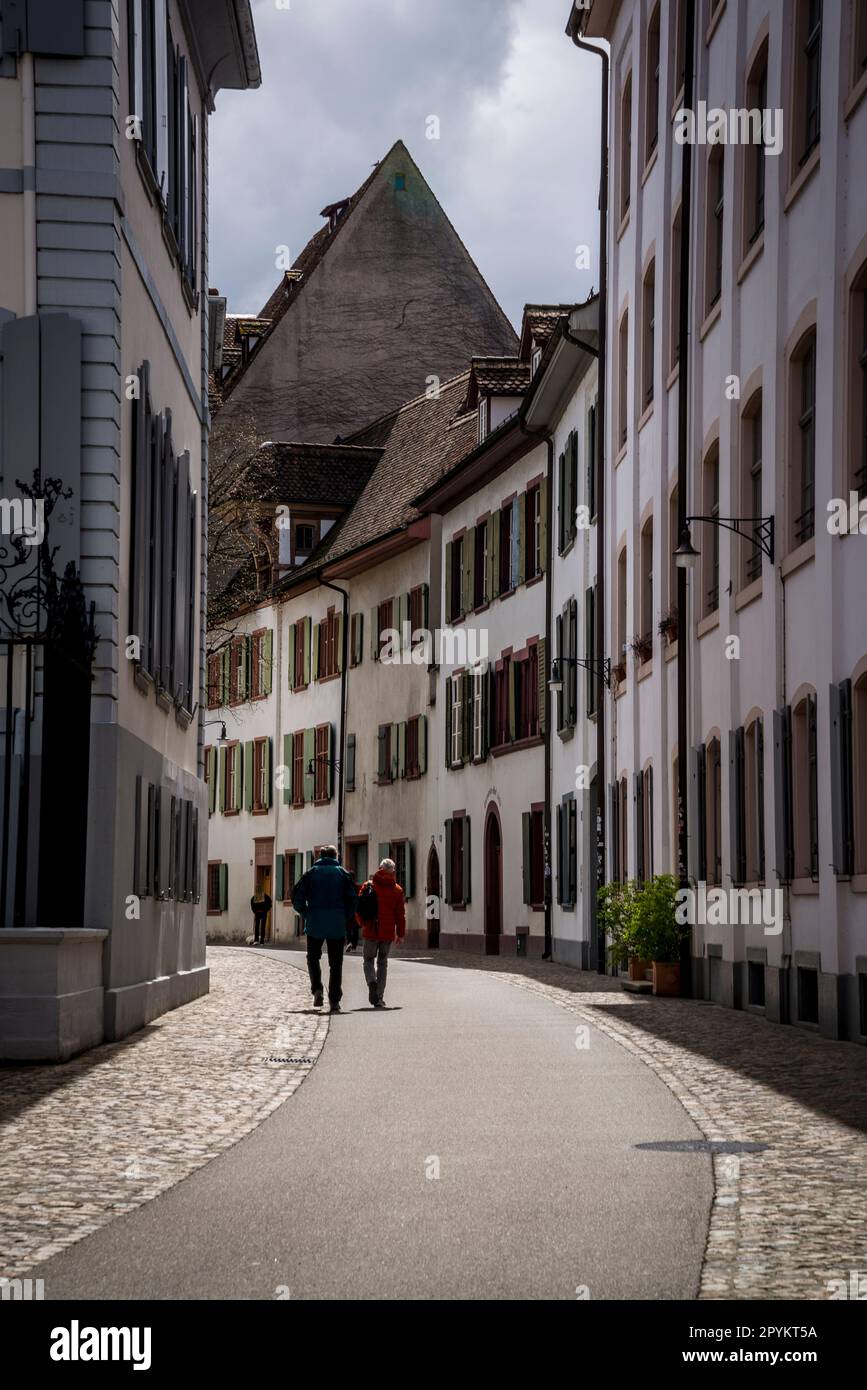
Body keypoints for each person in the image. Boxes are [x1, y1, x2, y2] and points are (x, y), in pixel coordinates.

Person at [292, 846, 357, 1012]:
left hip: (315, 923)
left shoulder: (311, 873)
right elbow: (352, 900)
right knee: (336, 963)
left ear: (319, 856)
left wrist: (307, 914)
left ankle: (317, 989)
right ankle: (334, 1000)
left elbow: (297, 899)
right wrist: (345, 917)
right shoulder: (343, 874)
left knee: (313, 958)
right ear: (336, 856)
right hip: (336, 924)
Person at [357, 857, 405, 1009]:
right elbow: (400, 915)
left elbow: (359, 907)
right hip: (387, 933)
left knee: (368, 960)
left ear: (379, 868)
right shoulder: (397, 890)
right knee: (382, 963)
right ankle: (379, 998)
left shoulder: (368, 885)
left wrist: (362, 924)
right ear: (393, 872)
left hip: (371, 930)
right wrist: (401, 933)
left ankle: (371, 982)